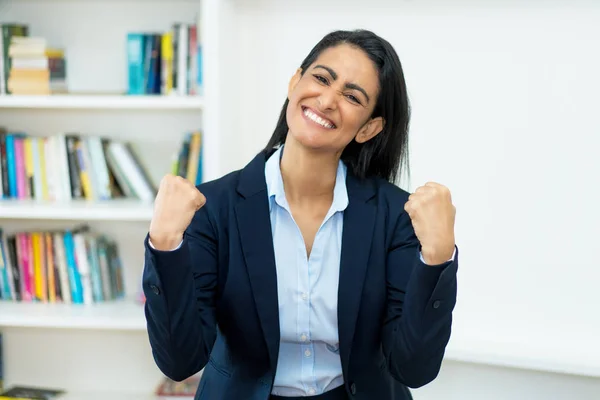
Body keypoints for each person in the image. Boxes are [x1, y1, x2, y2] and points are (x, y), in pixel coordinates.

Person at [142, 29, 458, 400]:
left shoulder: (396, 215)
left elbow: (414, 368)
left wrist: (437, 259)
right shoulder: (212, 208)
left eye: (352, 96)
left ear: (369, 128)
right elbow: (179, 361)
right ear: (295, 82)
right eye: (322, 78)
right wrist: (164, 246)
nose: (326, 100)